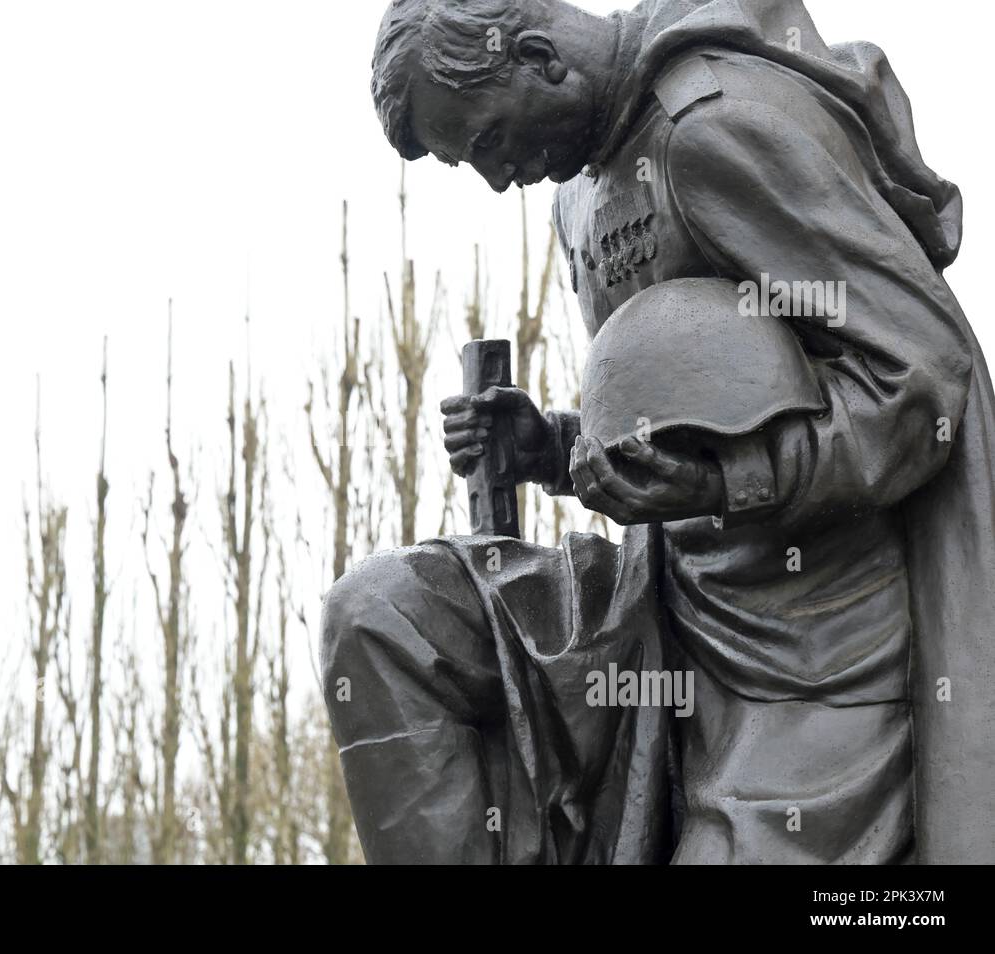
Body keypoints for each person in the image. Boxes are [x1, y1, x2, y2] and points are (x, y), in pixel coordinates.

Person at [322, 0, 995, 864]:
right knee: (382, 616)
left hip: (816, 650)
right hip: (658, 609)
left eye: (488, 143)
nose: (499, 181)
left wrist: (730, 483)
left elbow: (925, 383)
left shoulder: (718, 128)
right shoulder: (576, 192)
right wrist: (555, 449)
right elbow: (691, 411)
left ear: (537, 56)